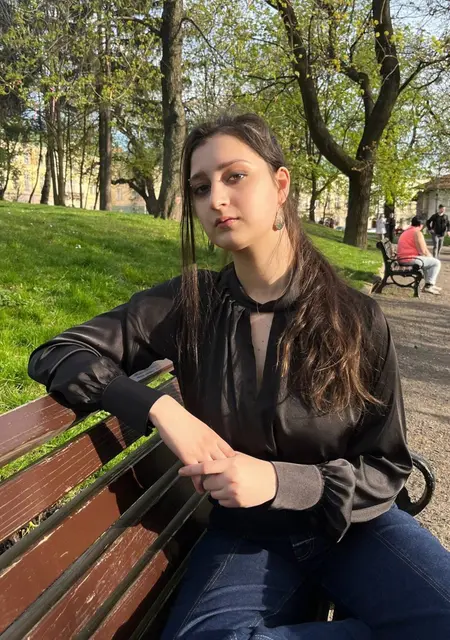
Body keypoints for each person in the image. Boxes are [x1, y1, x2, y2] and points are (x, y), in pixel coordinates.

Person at [28, 114, 450, 639]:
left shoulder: (356, 318)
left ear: (280, 185)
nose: (216, 200)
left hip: (353, 526)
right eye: (201, 188)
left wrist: (277, 480)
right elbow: (57, 353)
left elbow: (386, 465)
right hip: (250, 537)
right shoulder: (188, 304)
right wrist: (159, 408)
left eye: (235, 176)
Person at [397, 215, 442, 295]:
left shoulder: (408, 231)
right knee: (436, 263)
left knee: (428, 262)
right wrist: (432, 258)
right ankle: (429, 286)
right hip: (408, 259)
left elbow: (421, 251)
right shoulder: (417, 232)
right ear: (421, 225)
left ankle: (429, 284)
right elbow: (423, 251)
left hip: (403, 258)